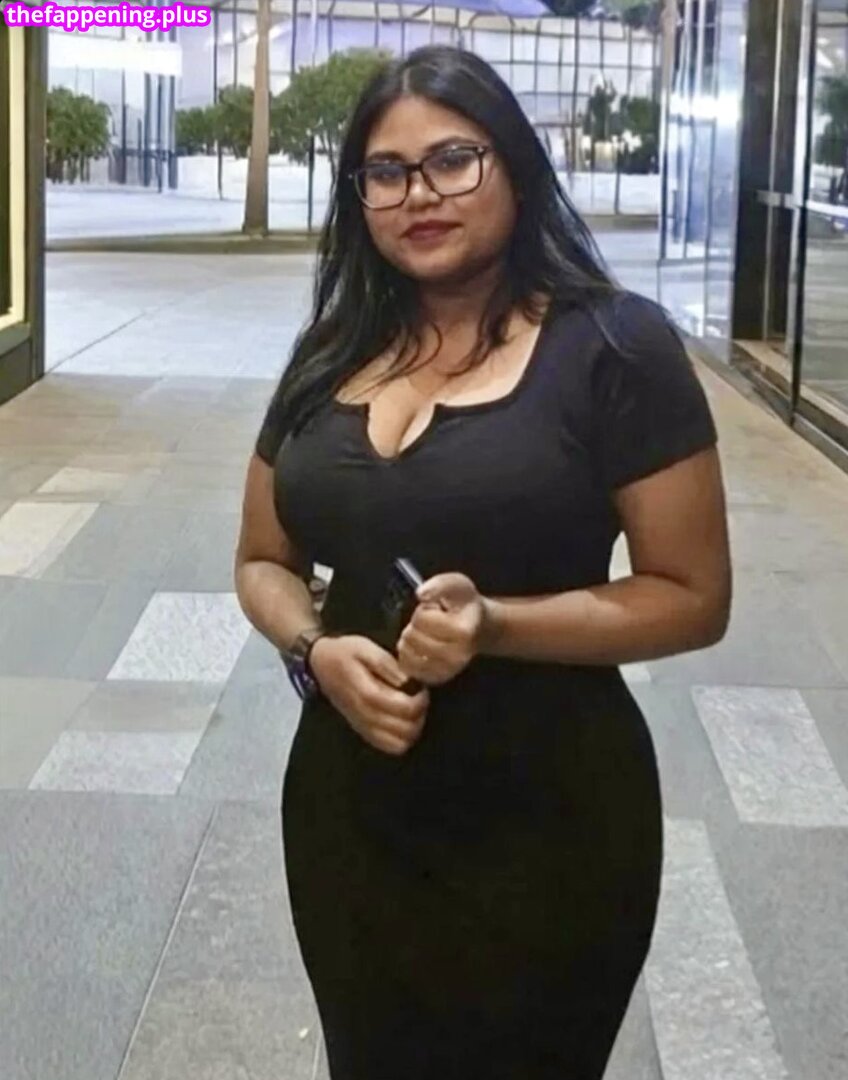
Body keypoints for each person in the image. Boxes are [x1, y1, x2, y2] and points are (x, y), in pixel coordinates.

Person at [235, 45, 731, 1080]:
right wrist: (316, 651)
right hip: (348, 811)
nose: (418, 194)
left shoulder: (615, 347)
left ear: (514, 165)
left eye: (452, 160)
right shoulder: (330, 349)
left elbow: (693, 597)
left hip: (549, 817)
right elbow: (261, 561)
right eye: (385, 171)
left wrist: (497, 624)